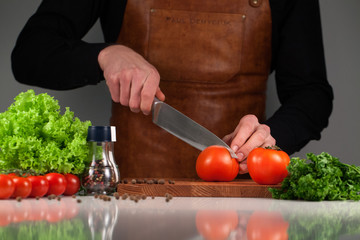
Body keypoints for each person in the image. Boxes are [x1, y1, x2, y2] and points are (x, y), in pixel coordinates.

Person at [11, 0, 333, 178]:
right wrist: (106, 54)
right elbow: (29, 53)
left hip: (239, 201)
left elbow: (312, 93)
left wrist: (271, 135)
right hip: (132, 195)